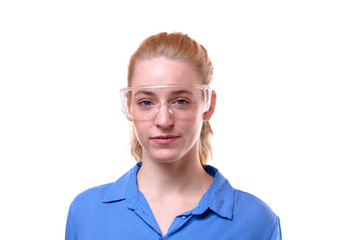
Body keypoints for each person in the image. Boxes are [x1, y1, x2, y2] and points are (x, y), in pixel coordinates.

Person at [65, 32, 282, 240]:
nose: (163, 120)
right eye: (146, 102)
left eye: (180, 101)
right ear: (130, 106)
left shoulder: (256, 221)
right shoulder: (86, 212)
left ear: (209, 105)